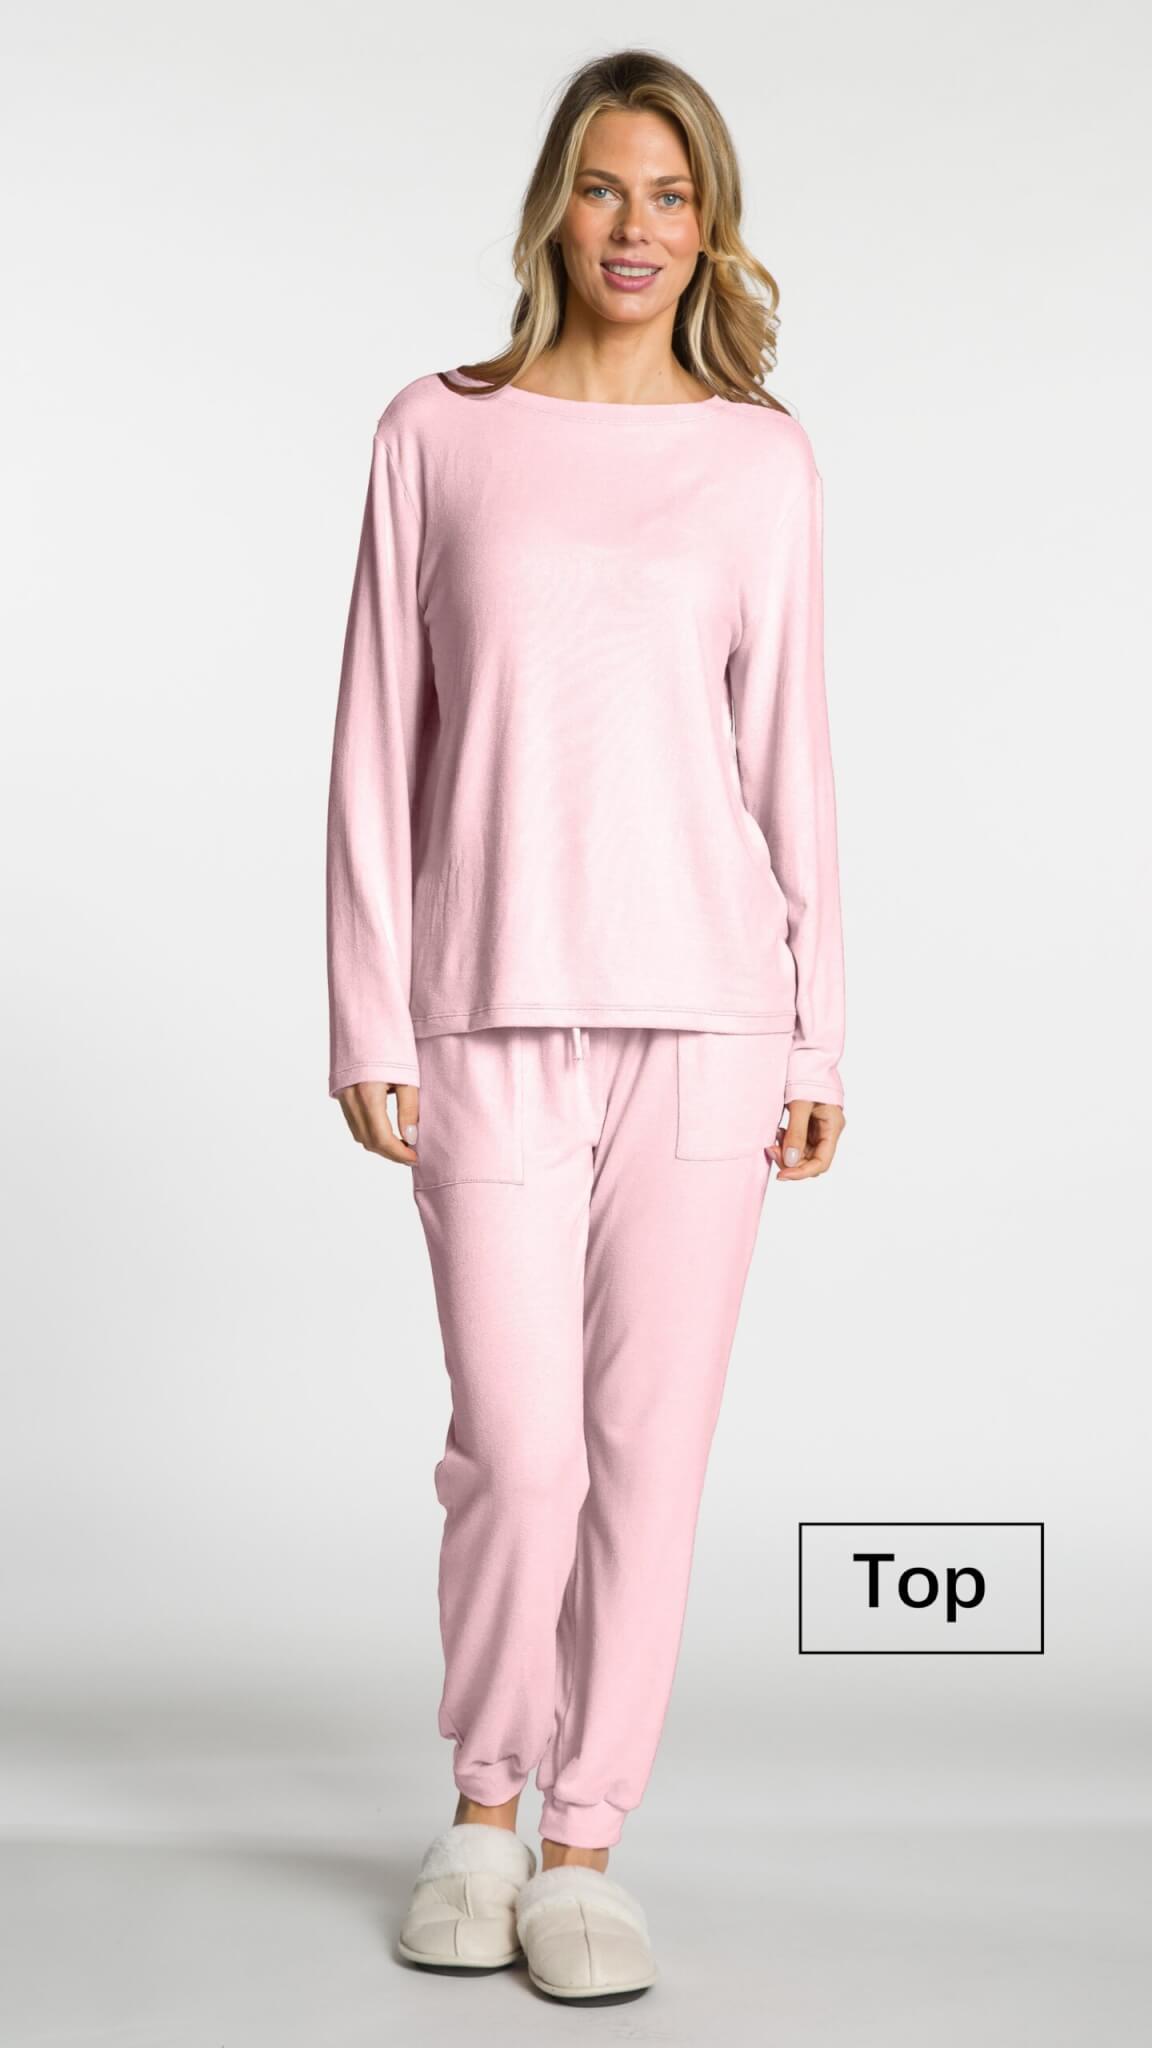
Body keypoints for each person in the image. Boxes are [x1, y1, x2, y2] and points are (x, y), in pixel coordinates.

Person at [325, 46, 847, 2005]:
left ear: (711, 227)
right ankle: (480, 1808)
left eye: (675, 195)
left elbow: (793, 758)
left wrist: (818, 1036)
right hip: (485, 1011)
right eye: (610, 187)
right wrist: (366, 1010)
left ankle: (584, 1844)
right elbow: (374, 741)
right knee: (519, 1450)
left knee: (647, 1456)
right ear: (558, 204)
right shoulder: (436, 434)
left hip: (710, 1020)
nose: (640, 227)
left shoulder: (760, 460)